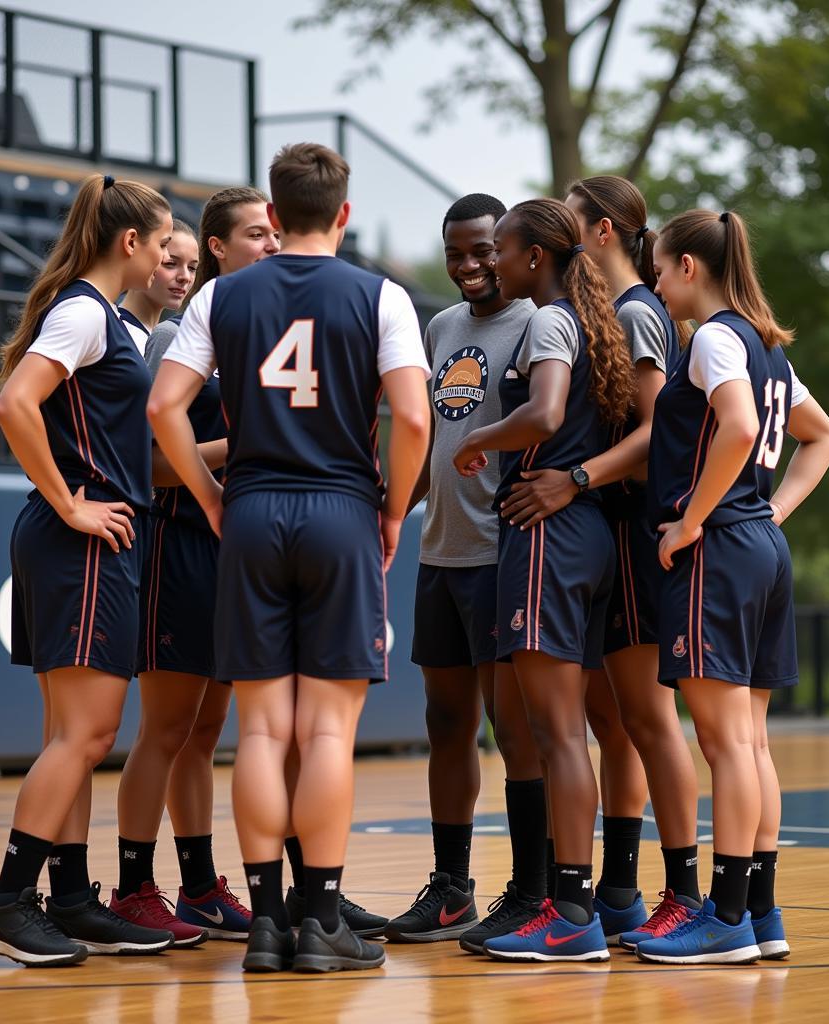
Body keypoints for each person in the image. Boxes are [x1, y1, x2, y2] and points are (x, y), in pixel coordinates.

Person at [147, 143, 431, 973]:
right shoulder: (383, 296)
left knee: (262, 730)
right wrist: (393, 510)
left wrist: (208, 496)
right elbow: (412, 421)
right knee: (329, 731)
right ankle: (323, 924)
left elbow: (167, 406)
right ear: (343, 214)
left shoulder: (222, 294)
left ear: (270, 217)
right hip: (342, 511)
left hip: (255, 510)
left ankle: (267, 925)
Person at [0, 174, 177, 967]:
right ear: (130, 244)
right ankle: (7, 904)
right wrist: (71, 503)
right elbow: (15, 404)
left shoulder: (99, 316)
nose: (164, 260)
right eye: (161, 245)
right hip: (82, 541)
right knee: (85, 735)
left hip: (80, 541)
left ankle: (75, 898)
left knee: (71, 736)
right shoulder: (87, 313)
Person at [500, 175, 703, 946]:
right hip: (606, 532)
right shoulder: (598, 315)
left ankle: (679, 890)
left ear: (605, 232)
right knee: (609, 722)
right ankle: (616, 890)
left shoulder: (639, 313)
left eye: (576, 222)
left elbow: (657, 434)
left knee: (648, 718)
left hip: (630, 531)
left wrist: (578, 476)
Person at [633, 208, 829, 964]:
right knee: (749, 742)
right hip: (759, 547)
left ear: (690, 266)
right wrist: (774, 510)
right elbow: (824, 437)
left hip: (718, 550)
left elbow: (741, 428)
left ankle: (723, 919)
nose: (654, 282)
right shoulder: (768, 349)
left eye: (658, 267)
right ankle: (760, 914)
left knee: (726, 745)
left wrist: (692, 518)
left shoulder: (717, 338)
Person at [454, 198, 636, 963]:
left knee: (557, 736)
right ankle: (576, 902)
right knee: (572, 735)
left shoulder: (550, 322)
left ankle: (569, 910)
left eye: (501, 248)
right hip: (589, 536)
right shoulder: (596, 321)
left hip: (544, 532)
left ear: (536, 257)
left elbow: (545, 412)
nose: (491, 261)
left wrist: (478, 439)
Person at [110, 189, 276, 945]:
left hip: (231, 549)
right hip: (177, 544)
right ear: (217, 247)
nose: (271, 244)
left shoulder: (258, 327)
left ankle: (202, 886)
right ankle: (134, 886)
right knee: (166, 728)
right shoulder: (174, 338)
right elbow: (147, 465)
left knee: (208, 729)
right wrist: (240, 450)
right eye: (255, 234)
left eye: (276, 232)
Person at [382, 193, 547, 950]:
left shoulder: (540, 323)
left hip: (502, 553)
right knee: (446, 722)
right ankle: (452, 890)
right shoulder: (442, 328)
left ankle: (533, 890)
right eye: (456, 253)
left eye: (483, 250)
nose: (470, 266)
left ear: (510, 246)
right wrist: (392, 510)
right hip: (441, 552)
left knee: (516, 729)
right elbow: (430, 442)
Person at [117, 219, 199, 354]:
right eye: (170, 263)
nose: (185, 277)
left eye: (192, 268)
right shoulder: (111, 332)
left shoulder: (169, 337)